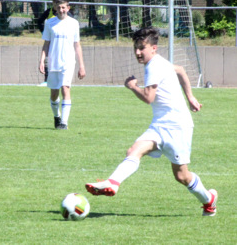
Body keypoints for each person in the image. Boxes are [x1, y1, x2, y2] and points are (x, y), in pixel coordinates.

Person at [85, 27, 217, 216]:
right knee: (134, 150)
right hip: (160, 125)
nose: (138, 52)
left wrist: (132, 86)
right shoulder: (159, 62)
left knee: (182, 176)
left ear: (153, 48)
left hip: (178, 126)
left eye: (142, 48)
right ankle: (112, 182)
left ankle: (209, 200)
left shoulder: (154, 66)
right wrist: (190, 97)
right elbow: (180, 71)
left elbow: (148, 97)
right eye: (136, 48)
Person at [39, 0, 85, 130]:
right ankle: (57, 117)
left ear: (68, 7)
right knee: (54, 94)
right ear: (55, 8)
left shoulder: (74, 23)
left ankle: (64, 123)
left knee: (65, 88)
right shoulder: (49, 23)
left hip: (68, 62)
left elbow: (77, 45)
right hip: (53, 62)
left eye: (64, 7)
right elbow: (46, 44)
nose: (61, 10)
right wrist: (42, 61)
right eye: (59, 7)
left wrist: (81, 65)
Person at [36, 0, 74, 86]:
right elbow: (39, 21)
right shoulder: (49, 12)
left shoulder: (66, 14)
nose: (55, 4)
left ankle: (63, 80)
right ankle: (46, 80)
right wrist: (44, 32)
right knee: (48, 59)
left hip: (62, 40)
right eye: (54, 3)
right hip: (52, 39)